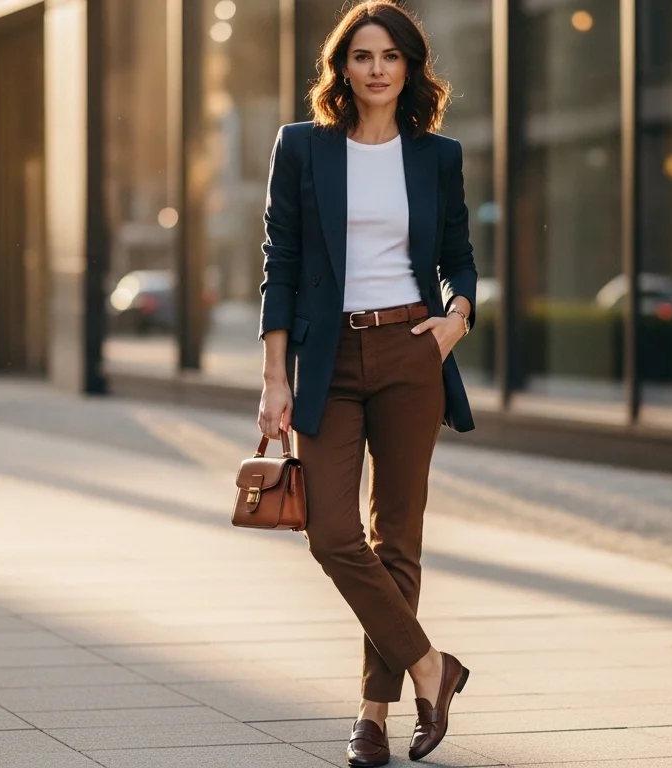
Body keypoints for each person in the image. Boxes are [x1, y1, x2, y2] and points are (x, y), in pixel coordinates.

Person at [255, 3, 477, 765]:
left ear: (410, 67)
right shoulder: (303, 148)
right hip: (328, 359)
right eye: (361, 56)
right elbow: (280, 264)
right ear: (341, 69)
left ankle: (373, 717)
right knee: (333, 534)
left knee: (398, 537)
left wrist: (459, 318)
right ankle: (430, 667)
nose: (376, 68)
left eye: (390, 55)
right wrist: (272, 378)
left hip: (412, 351)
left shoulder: (437, 155)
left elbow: (460, 256)